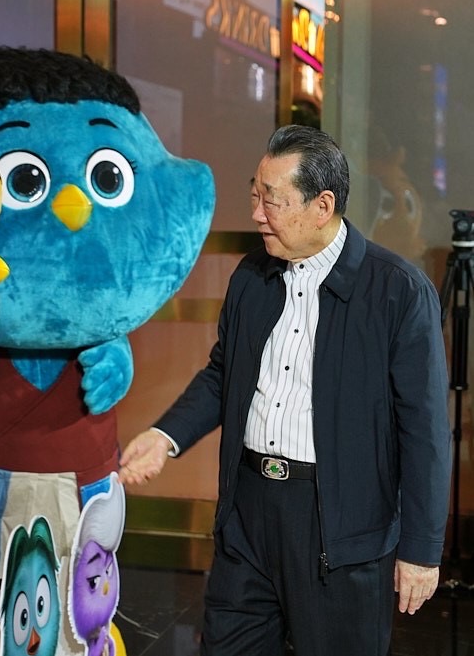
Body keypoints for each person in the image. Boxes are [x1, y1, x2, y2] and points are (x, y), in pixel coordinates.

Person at [119, 124, 452, 655]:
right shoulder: (252, 276)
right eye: (255, 196)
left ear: (323, 206)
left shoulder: (396, 291)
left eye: (271, 201)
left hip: (339, 528)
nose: (257, 214)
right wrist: (165, 436)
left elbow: (425, 431)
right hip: (248, 514)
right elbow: (224, 373)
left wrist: (422, 549)